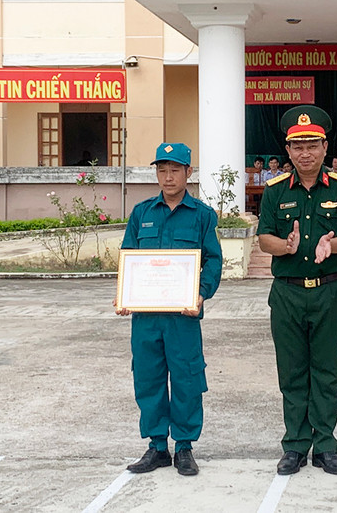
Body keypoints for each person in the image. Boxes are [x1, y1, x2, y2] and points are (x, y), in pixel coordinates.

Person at [257, 105, 337, 477]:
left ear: (324, 147)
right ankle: (296, 446)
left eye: (312, 145)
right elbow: (263, 238)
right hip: (286, 293)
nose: (305, 153)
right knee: (292, 371)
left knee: (326, 371)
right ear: (288, 151)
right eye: (297, 146)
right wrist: (285, 246)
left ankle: (327, 446)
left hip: (329, 292)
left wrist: (330, 247)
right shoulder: (273, 192)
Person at [115, 142, 223, 477]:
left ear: (188, 172)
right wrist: (123, 294)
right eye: (162, 169)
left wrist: (202, 295)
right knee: (148, 379)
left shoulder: (202, 215)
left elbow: (214, 261)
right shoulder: (142, 213)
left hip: (183, 318)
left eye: (175, 169)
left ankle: (185, 447)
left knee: (187, 379)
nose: (168, 176)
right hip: (146, 318)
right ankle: (157, 446)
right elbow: (128, 257)